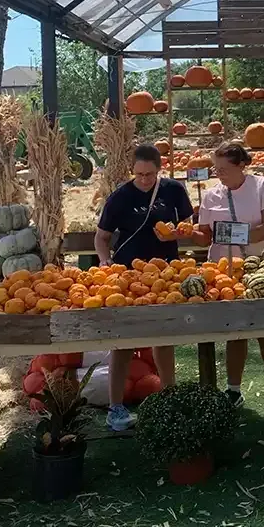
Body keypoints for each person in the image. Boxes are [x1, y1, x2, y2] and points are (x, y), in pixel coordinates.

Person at [94, 143, 195, 431]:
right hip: (129, 276)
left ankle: (169, 397)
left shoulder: (173, 190)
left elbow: (189, 225)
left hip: (166, 272)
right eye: (139, 175)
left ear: (159, 170)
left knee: (164, 337)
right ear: (132, 171)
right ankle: (116, 407)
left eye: (150, 175)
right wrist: (104, 262)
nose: (144, 180)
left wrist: (176, 233)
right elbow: (102, 237)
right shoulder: (120, 197)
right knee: (123, 341)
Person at [199, 141, 264, 413]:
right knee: (235, 329)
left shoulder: (262, 185)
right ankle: (233, 390)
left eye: (224, 169)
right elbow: (205, 233)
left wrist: (237, 236)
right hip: (224, 268)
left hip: (262, 264)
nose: (219, 174)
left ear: (242, 166)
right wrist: (181, 232)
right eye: (216, 169)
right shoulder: (211, 195)